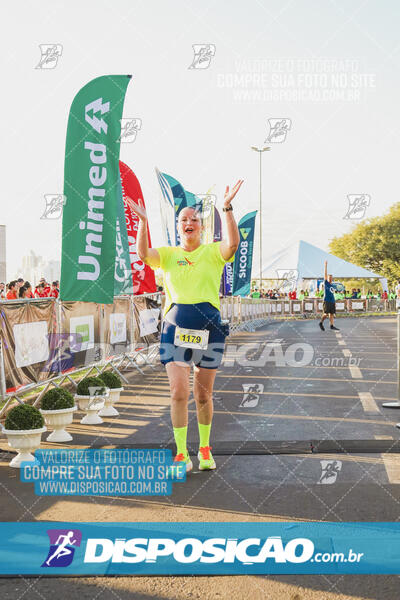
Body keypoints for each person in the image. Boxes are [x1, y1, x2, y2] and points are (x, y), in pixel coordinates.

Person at [126, 181, 242, 473]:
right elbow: (142, 254)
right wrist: (142, 222)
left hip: (210, 329)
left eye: (194, 219)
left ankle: (204, 449)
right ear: (178, 227)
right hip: (174, 331)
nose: (189, 222)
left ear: (201, 228)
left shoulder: (213, 252)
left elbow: (233, 245)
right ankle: (180, 453)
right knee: (179, 392)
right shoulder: (166, 255)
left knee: (202, 394)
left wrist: (227, 208)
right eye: (183, 220)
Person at [319, 260, 339, 331]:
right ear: (327, 278)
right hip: (326, 300)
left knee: (332, 314)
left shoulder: (332, 286)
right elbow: (325, 274)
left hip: (332, 301)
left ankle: (332, 325)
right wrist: (325, 266)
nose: (330, 278)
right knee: (326, 314)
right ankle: (321, 322)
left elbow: (333, 294)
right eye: (329, 277)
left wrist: (334, 302)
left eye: (331, 277)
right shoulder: (326, 283)